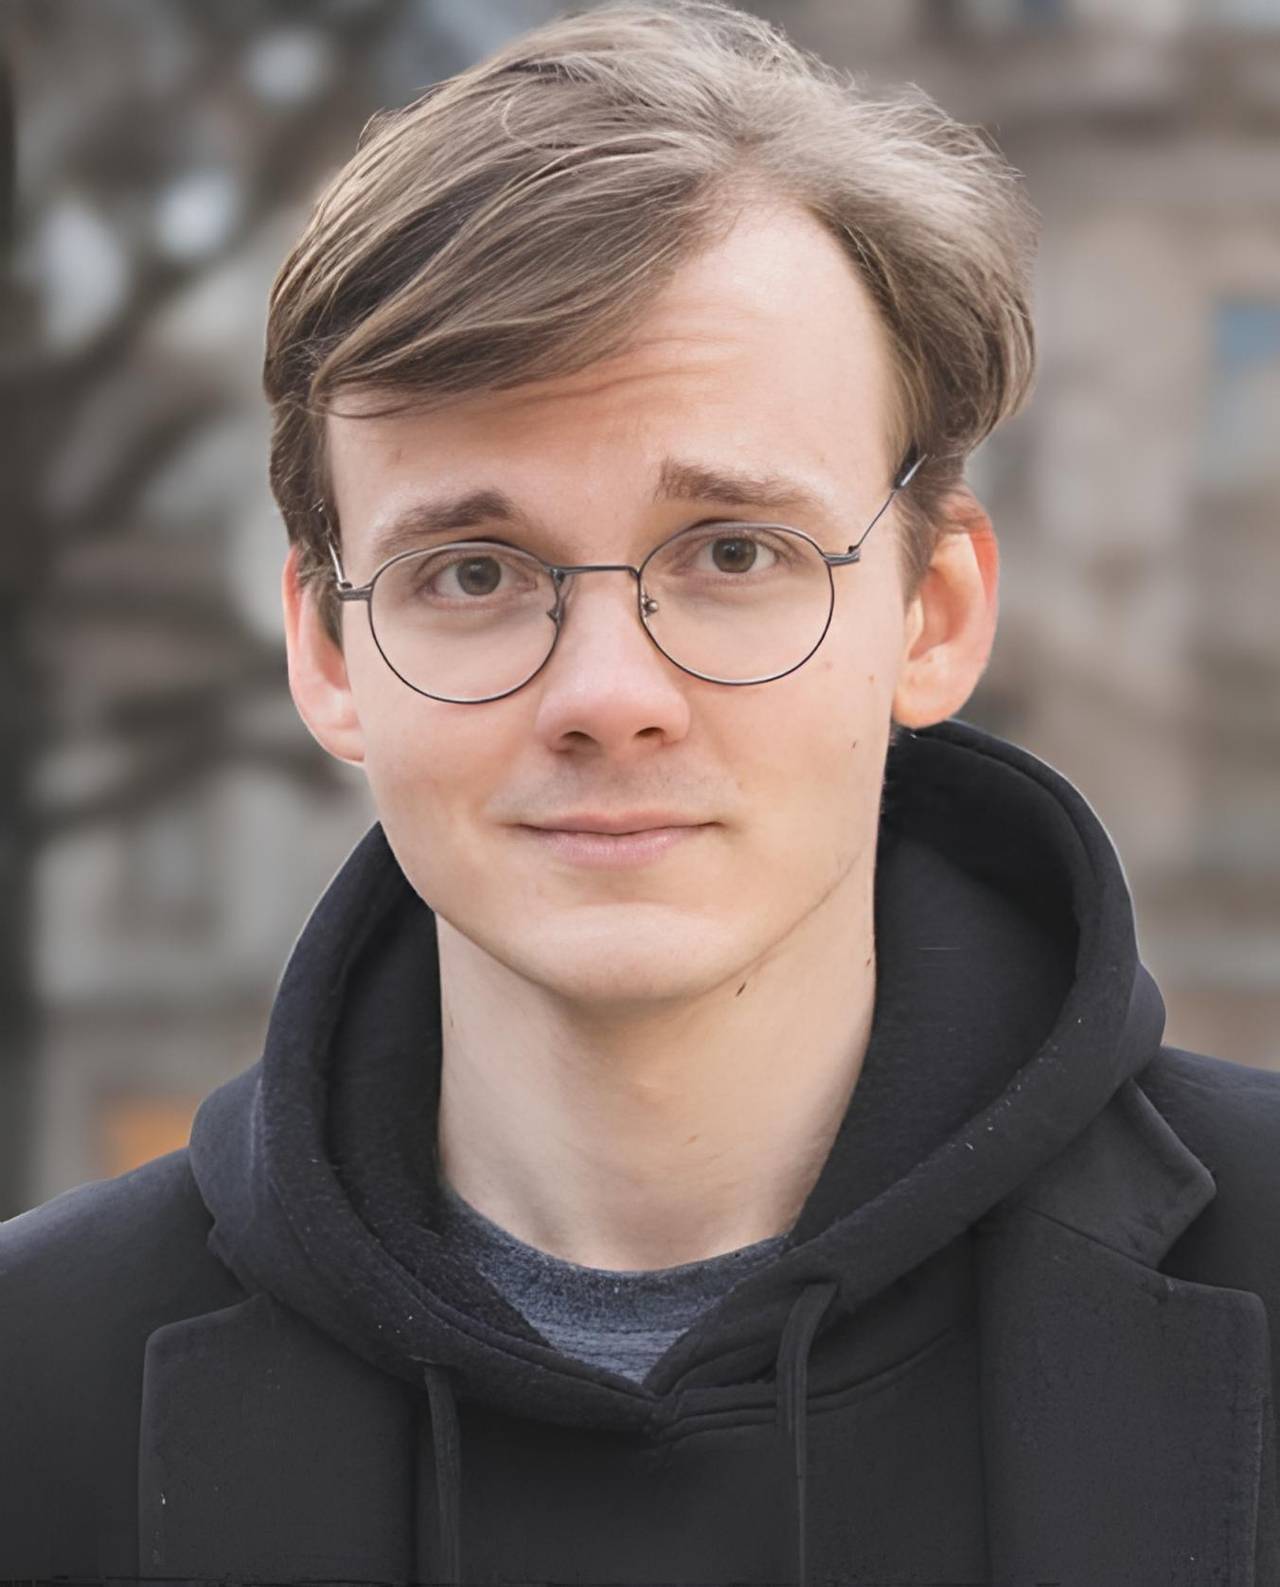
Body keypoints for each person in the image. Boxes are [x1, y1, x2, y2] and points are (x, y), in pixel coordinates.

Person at [3, 2, 1278, 1583]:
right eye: (474, 571)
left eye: (734, 553)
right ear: (327, 650)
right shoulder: (33, 1384)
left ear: (933, 613)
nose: (609, 695)